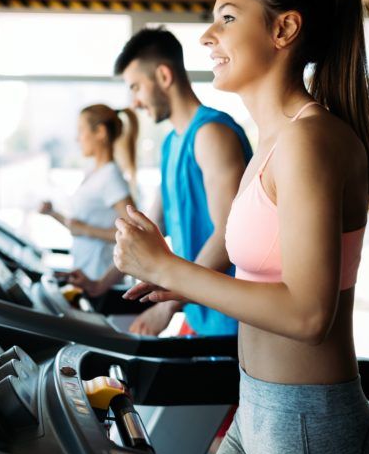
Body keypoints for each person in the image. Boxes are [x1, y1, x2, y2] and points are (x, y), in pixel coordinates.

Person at [113, 0, 369, 454]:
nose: (206, 37)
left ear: (284, 29)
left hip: (310, 425)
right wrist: (174, 281)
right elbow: (256, 270)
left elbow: (310, 315)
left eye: (226, 18)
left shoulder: (309, 139)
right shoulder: (272, 141)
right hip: (258, 408)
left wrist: (170, 268)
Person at [70, 27, 253, 337]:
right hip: (197, 315)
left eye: (137, 87)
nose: (135, 103)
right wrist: (102, 283)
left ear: (164, 77)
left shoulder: (212, 135)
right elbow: (148, 227)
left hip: (232, 324)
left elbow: (227, 237)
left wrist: (168, 306)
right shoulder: (171, 144)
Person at [39, 104, 139, 280]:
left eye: (81, 130)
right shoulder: (94, 173)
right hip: (84, 273)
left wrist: (86, 230)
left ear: (100, 132)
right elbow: (77, 227)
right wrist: (52, 213)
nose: (77, 138)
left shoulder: (110, 177)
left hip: (100, 277)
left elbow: (134, 233)